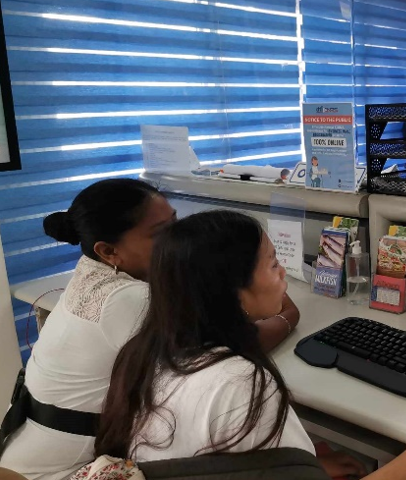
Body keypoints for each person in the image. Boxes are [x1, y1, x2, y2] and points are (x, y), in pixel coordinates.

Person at [95, 210, 406, 478]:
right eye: (271, 263)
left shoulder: (146, 354)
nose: (283, 272)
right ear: (232, 291)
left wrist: (298, 465)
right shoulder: (238, 383)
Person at [0, 181, 298, 480]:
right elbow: (229, 345)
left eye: (175, 222)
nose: (178, 237)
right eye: (161, 232)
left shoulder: (90, 272)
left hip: (22, 447)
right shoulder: (131, 299)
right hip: (58, 471)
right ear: (108, 251)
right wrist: (288, 315)